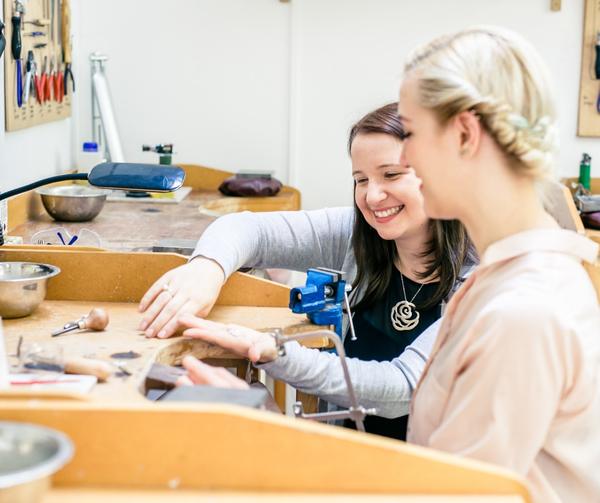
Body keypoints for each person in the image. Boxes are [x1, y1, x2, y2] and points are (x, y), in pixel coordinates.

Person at [160, 26, 600, 503]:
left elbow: (444, 494)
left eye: (410, 136)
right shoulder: (512, 277)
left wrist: (270, 434)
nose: (402, 161)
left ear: (466, 135)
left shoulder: (521, 313)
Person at [138, 103, 475, 440]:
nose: (372, 196)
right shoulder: (357, 235)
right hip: (345, 455)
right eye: (361, 180)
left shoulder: (483, 279)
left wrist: (274, 351)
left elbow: (401, 388)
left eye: (391, 174)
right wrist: (206, 268)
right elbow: (245, 229)